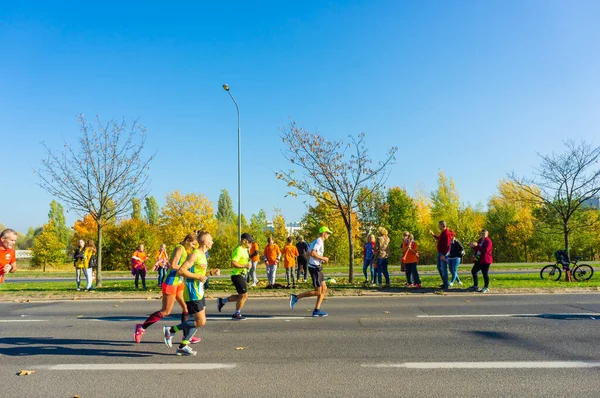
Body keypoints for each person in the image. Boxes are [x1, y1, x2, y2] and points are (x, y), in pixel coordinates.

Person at [134, 233, 200, 344]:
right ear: (188, 240)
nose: (193, 246)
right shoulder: (180, 249)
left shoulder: (185, 249)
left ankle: (186, 337)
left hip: (179, 282)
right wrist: (185, 269)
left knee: (186, 309)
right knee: (166, 311)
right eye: (193, 244)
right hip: (170, 282)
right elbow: (173, 265)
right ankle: (141, 328)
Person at [163, 231, 219, 356]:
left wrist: (210, 273)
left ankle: (183, 345)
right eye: (211, 240)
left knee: (198, 321)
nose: (212, 242)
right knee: (201, 322)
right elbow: (182, 271)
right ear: (204, 241)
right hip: (192, 292)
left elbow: (199, 274)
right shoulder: (194, 255)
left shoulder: (203, 255)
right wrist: (198, 277)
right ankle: (171, 330)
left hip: (199, 291)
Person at [289, 226, 332, 317]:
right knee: (318, 291)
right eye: (328, 233)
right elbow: (312, 253)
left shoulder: (316, 241)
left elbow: (309, 253)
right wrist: (322, 258)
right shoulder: (319, 241)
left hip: (317, 267)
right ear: (323, 233)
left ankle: (317, 310)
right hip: (315, 268)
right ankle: (296, 297)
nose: (329, 235)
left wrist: (318, 261)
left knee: (324, 289)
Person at [217, 233, 254, 320]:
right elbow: (233, 263)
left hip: (241, 275)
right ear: (244, 241)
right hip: (237, 275)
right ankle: (236, 314)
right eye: (249, 242)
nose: (250, 244)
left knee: (242, 296)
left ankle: (222, 301)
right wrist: (245, 266)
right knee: (243, 296)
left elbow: (245, 259)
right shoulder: (238, 250)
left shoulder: (245, 249)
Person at [430, 221, 451, 290]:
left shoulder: (447, 233)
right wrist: (433, 234)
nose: (438, 226)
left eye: (439, 225)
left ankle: (446, 285)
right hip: (440, 253)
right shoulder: (443, 233)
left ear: (442, 225)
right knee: (439, 267)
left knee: (443, 269)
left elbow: (448, 245)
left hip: (443, 254)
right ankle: (445, 282)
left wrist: (444, 255)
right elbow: (439, 239)